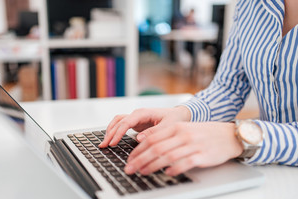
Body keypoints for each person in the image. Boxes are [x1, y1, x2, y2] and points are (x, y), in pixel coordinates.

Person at [99, 0, 298, 176]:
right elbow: (229, 87)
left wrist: (240, 137)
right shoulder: (249, 4)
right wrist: (183, 113)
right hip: (268, 172)